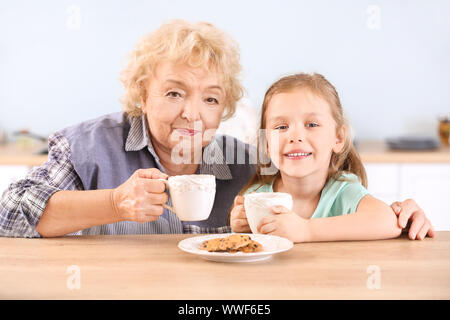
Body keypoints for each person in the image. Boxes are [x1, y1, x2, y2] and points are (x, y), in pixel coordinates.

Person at [0, 20, 433, 239]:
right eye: (173, 93)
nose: (193, 115)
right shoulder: (90, 146)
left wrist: (398, 213)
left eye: (210, 98)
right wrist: (115, 202)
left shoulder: (244, 162)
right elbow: (10, 216)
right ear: (141, 93)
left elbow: (316, 197)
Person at [229, 73, 435, 242]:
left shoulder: (343, 190)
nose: (295, 136)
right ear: (266, 143)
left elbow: (387, 221)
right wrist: (239, 224)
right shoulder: (258, 196)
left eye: (311, 124)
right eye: (281, 127)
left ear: (338, 138)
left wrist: (306, 230)